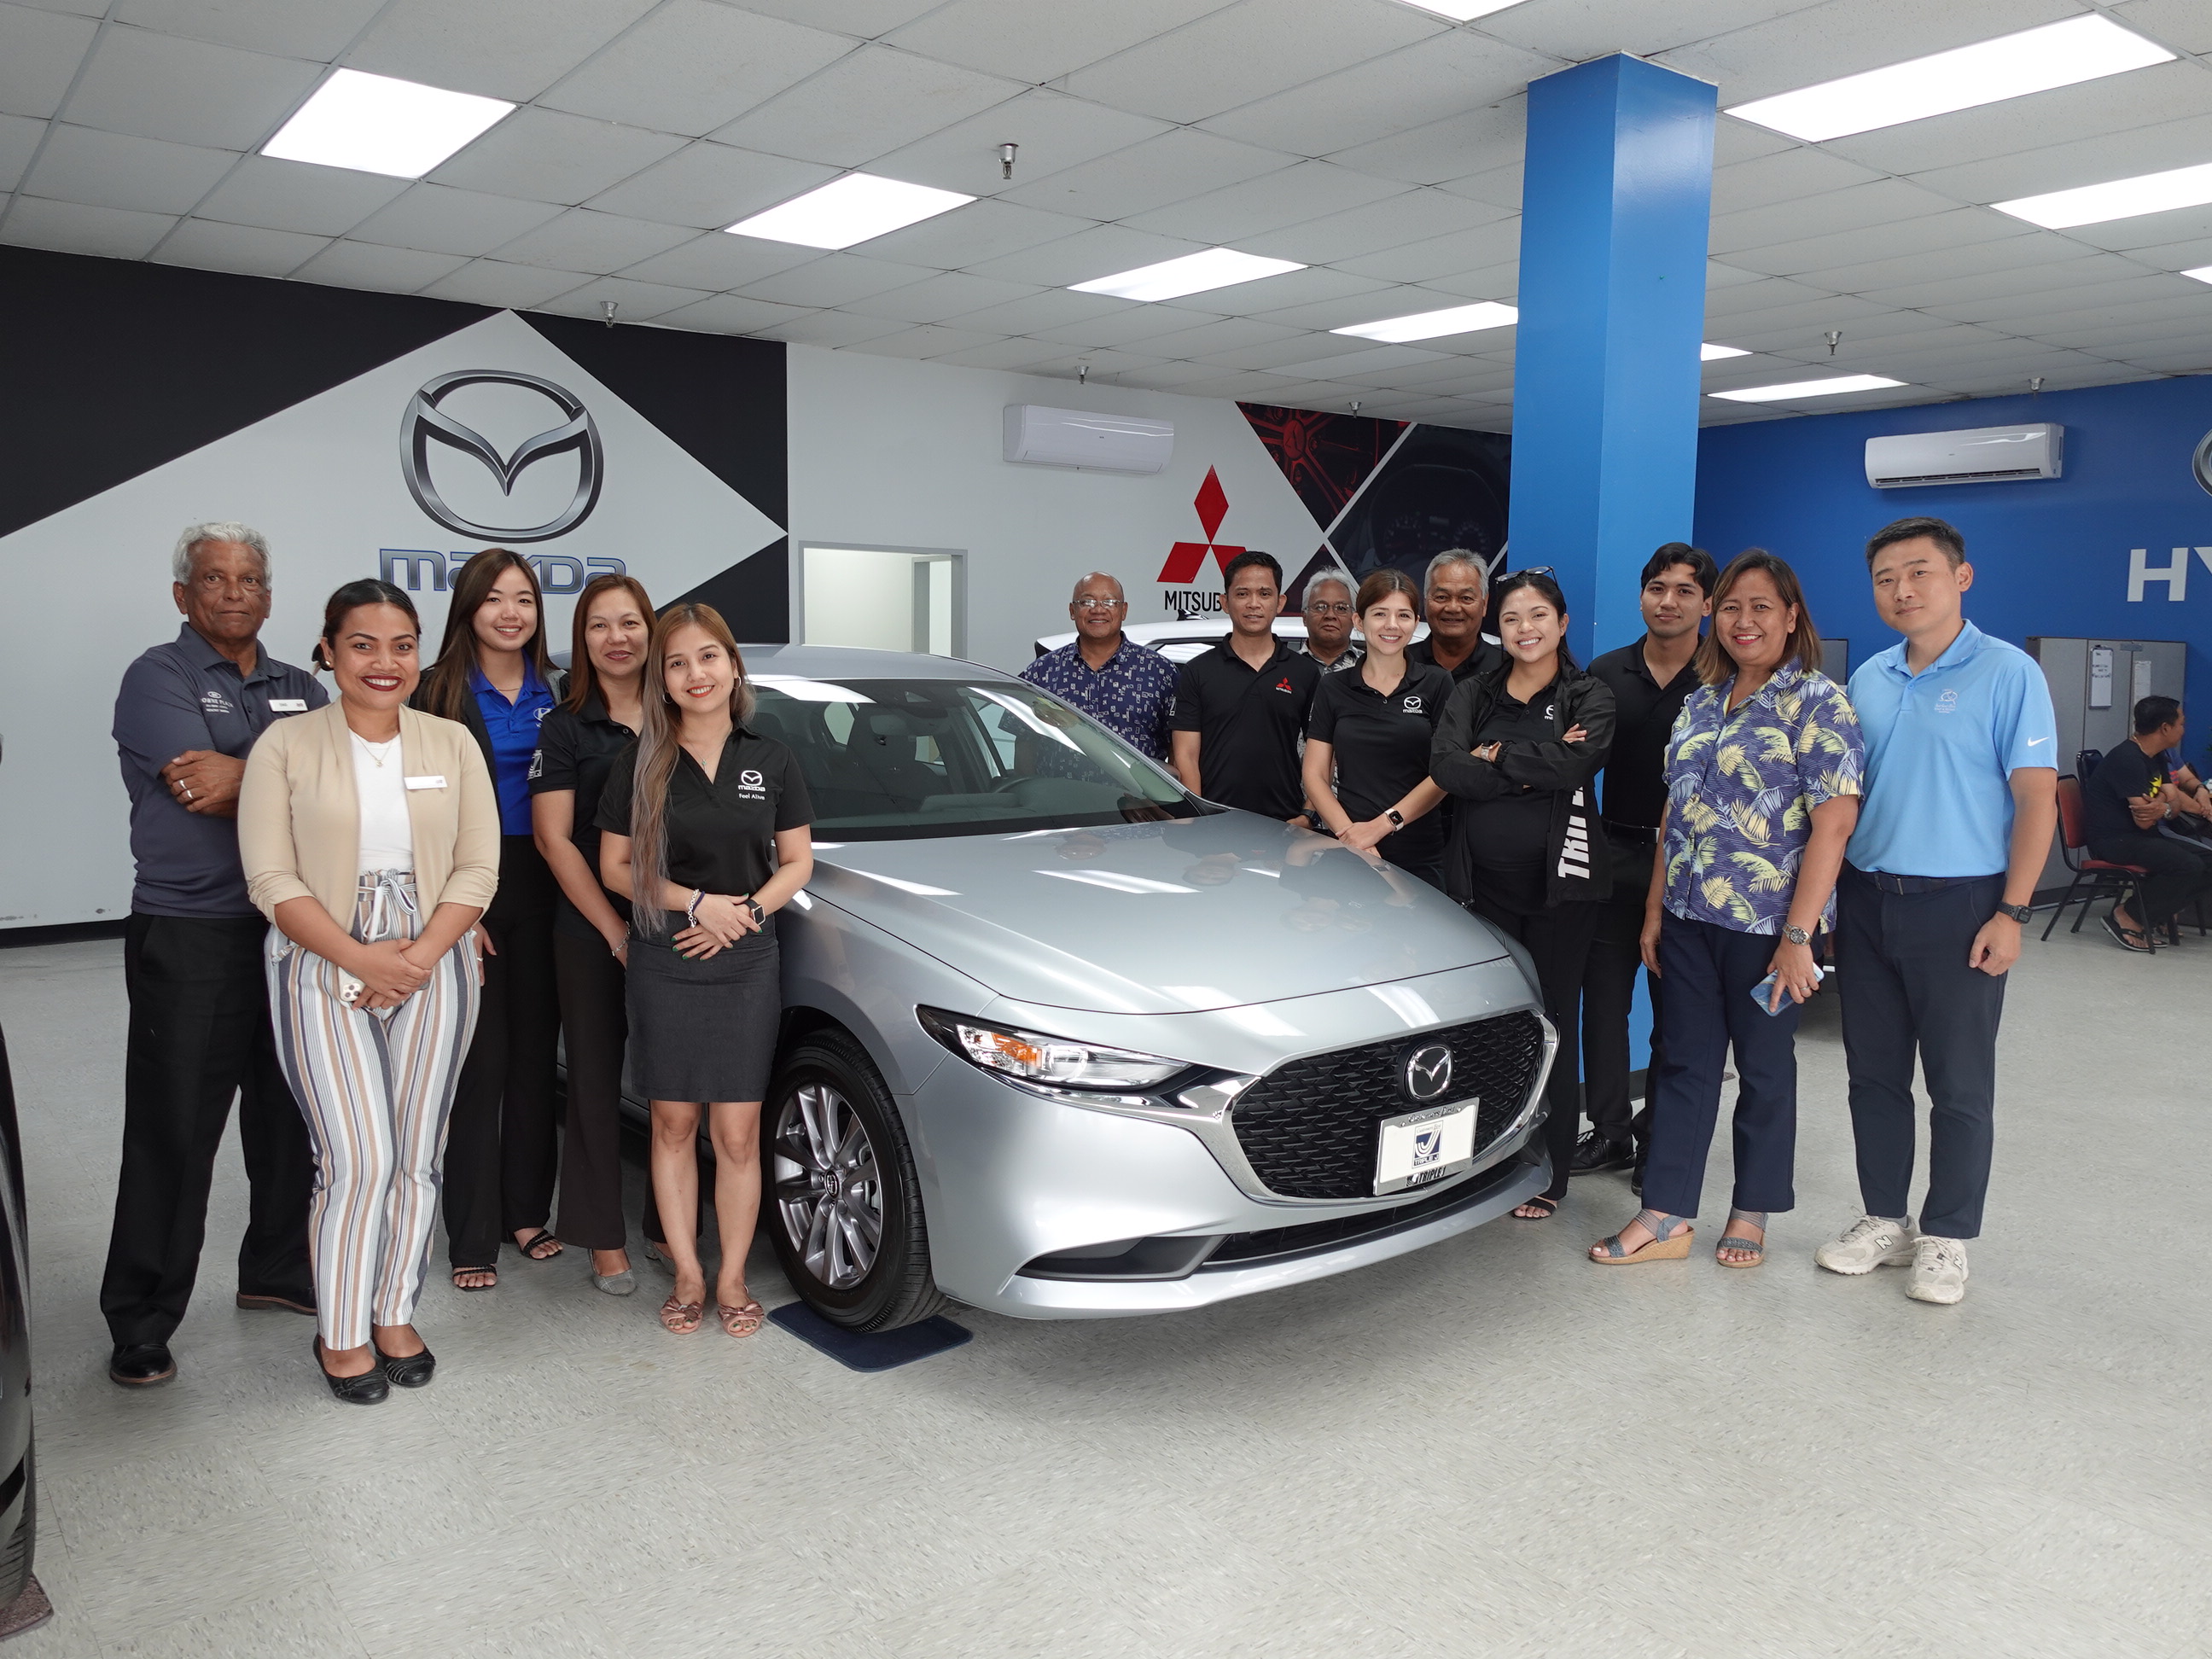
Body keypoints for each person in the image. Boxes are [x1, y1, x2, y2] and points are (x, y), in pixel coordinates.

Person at [238, 580, 498, 1401]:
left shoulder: (451, 742)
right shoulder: (284, 746)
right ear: (328, 650)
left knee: (418, 1154)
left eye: (400, 646)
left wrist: (416, 958)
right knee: (358, 1158)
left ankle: (394, 1310)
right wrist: (362, 959)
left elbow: (479, 866)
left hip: (437, 956)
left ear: (419, 654)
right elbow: (269, 878)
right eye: (362, 645)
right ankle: (342, 1329)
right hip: (320, 961)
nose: (384, 663)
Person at [1592, 551, 1863, 1267]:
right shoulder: (1702, 703)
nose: (1745, 621)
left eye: (1762, 607)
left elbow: (1833, 827)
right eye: (1734, 607)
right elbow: (1673, 819)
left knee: (1765, 1066)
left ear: (1792, 617)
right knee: (1683, 1063)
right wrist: (1654, 911)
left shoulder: (1818, 704)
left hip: (1768, 929)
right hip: (1686, 918)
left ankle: (1752, 1210)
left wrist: (1800, 938)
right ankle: (1667, 1213)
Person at [102, 522, 323, 1388]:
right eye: (215, 578)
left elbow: (338, 791)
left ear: (269, 595)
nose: (235, 593)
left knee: (290, 1115)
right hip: (190, 934)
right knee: (175, 1129)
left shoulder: (302, 684)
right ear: (184, 595)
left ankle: (274, 1271)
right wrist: (290, 778)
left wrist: (257, 777)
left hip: (290, 929)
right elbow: (198, 786)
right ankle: (142, 1316)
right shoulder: (157, 676)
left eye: (251, 579)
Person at [1817, 515, 2058, 1307]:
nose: (1901, 590)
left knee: (1958, 1084)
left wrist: (2013, 913)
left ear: (1962, 578)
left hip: (1963, 905)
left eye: (1918, 572)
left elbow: (2036, 799)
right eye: (1885, 578)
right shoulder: (1870, 679)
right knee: (1873, 1076)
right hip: (1867, 898)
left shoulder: (2008, 672)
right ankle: (1884, 1218)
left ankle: (1947, 1233)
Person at [597, 604, 814, 1339]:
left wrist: (744, 915)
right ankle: (688, 1271)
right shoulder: (640, 760)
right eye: (679, 662)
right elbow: (616, 867)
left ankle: (731, 1278)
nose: (696, 674)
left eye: (709, 657)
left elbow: (798, 863)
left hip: (747, 959)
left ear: (733, 666)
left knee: (738, 1133)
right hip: (666, 957)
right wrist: (698, 905)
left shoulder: (772, 756)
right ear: (662, 677)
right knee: (671, 1123)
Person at [1430, 571, 1614, 1221]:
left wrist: (1499, 755)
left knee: (1555, 1025)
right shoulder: (1473, 690)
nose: (1526, 628)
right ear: (1497, 629)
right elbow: (1447, 768)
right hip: (1483, 889)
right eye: (1512, 619)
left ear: (1561, 624)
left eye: (1539, 615)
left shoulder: (1588, 695)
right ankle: (1482, 1162)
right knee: (1490, 1029)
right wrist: (1530, 764)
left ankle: (1551, 1171)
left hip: (1560, 892)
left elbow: (1574, 767)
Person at [413, 549, 562, 1290]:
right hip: (466, 883)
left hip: (549, 879)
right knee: (480, 1062)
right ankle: (471, 1234)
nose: (511, 613)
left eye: (525, 599)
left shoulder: (560, 693)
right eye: (495, 598)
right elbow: (412, 810)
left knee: (538, 1057)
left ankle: (527, 1212)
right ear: (468, 608)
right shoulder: (433, 691)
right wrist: (452, 908)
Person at [531, 573, 666, 1295]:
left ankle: (667, 1226)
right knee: (592, 1079)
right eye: (598, 626)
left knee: (674, 1082)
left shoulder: (682, 710)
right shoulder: (567, 725)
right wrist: (614, 928)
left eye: (630, 623)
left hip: (676, 921)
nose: (617, 638)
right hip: (590, 924)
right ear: (581, 640)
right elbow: (556, 841)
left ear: (652, 630)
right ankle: (600, 1235)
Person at [1575, 544, 1716, 1187]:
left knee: (1676, 1011)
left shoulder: (1722, 678)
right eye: (1658, 588)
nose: (1669, 601)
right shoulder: (1605, 672)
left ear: (1706, 604)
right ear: (1641, 597)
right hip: (1612, 855)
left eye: (1685, 591)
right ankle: (1608, 1132)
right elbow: (1575, 768)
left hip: (1690, 871)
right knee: (1602, 1004)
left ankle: (1658, 1135)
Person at [1302, 569, 1452, 888]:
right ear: (1359, 621)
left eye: (1403, 615)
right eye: (1380, 614)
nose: (1392, 625)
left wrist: (1383, 825)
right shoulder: (1333, 687)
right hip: (1349, 848)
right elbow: (1314, 776)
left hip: (1420, 851)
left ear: (1416, 622)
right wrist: (1353, 837)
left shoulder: (1437, 683)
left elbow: (1445, 772)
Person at [1170, 551, 1320, 822]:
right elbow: (1185, 755)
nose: (1253, 604)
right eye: (1242, 594)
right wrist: (1200, 819)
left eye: (1264, 594)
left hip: (1285, 825)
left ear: (1280, 602)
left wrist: (1308, 814)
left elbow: (1322, 750)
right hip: (1215, 825)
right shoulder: (1198, 671)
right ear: (1225, 602)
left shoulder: (1305, 672)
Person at [2087, 696, 2212, 948]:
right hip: (2115, 840)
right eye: (2181, 724)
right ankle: (2128, 915)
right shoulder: (2128, 759)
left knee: (2208, 861)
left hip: (2142, 835)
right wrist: (2166, 804)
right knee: (2187, 865)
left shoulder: (2156, 755)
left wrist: (2163, 805)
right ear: (2165, 728)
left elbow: (2174, 805)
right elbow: (2145, 821)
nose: (2183, 729)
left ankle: (2153, 914)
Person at [1019, 573, 1179, 759]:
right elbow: (1024, 739)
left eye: (1109, 602)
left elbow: (1178, 747)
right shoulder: (1041, 673)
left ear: (1124, 610)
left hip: (1134, 788)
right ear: (1072, 611)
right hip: (1057, 788)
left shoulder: (1159, 672)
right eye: (1087, 602)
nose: (1098, 610)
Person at [1407, 550, 1505, 684]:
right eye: (1442, 597)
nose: (1453, 608)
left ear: (1484, 604)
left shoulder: (1507, 668)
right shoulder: (1402, 663)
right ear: (1425, 602)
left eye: (1466, 598)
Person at [1295, 573, 1364, 674]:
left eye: (1341, 608)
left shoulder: (1370, 667)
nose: (1330, 615)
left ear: (1354, 619)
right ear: (1304, 617)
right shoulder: (1285, 667)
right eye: (1320, 607)